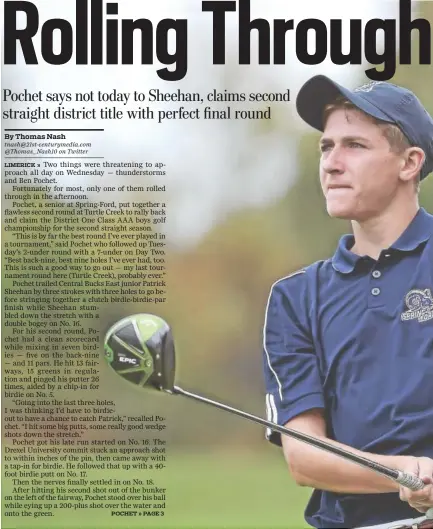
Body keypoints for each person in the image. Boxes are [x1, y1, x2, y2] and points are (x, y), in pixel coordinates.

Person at [262, 75, 433, 529]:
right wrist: (403, 473)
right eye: (326, 146)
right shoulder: (294, 297)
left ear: (409, 162)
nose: (332, 164)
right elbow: (304, 456)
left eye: (354, 145)